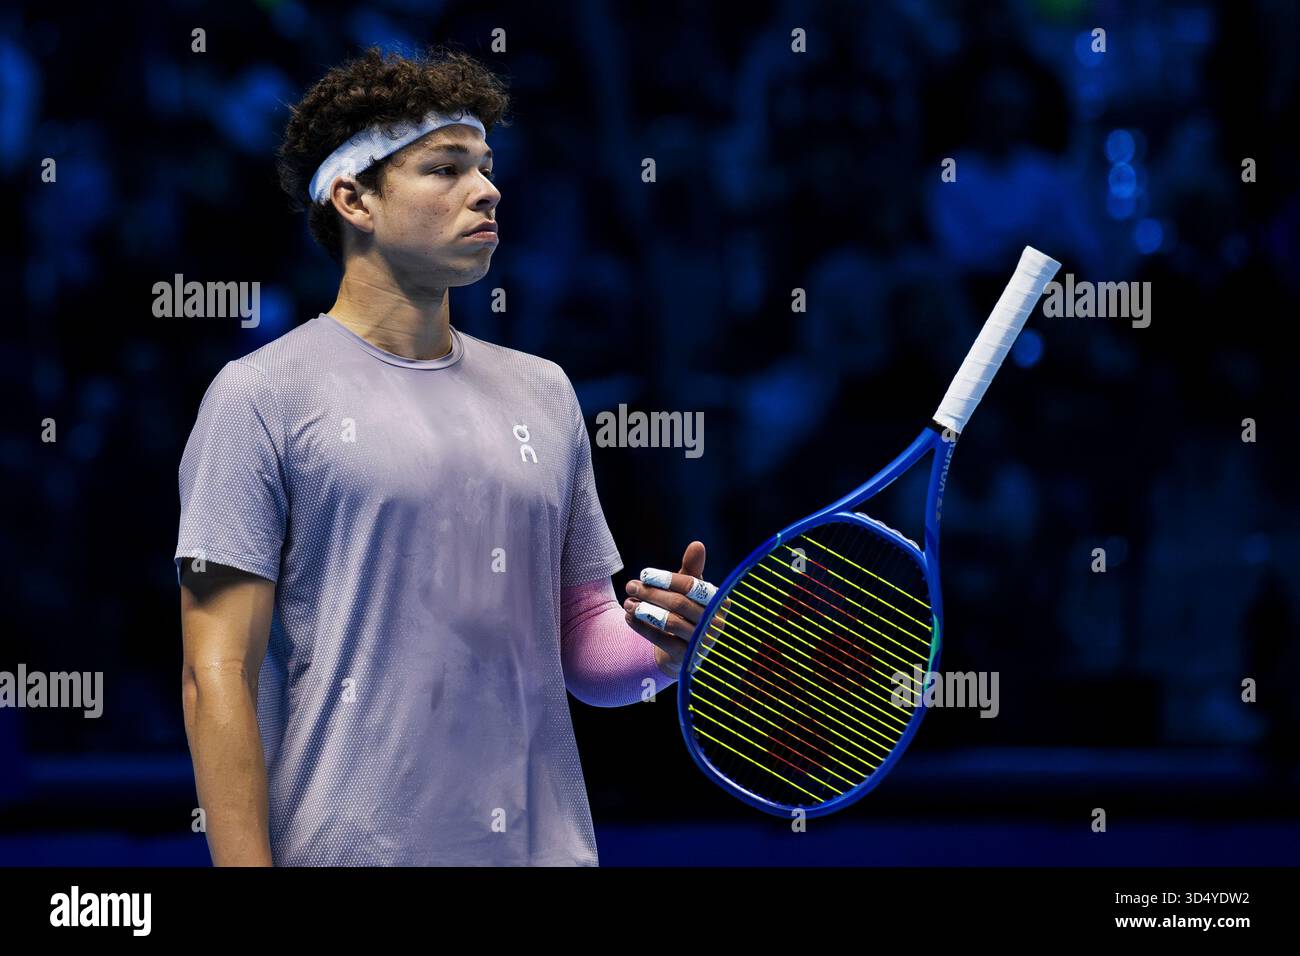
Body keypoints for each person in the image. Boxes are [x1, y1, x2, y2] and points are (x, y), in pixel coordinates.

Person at [175, 46, 712, 866]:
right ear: (354, 198)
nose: (488, 189)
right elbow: (216, 676)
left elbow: (583, 648)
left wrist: (658, 652)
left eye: (487, 166)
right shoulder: (259, 396)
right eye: (446, 168)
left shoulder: (545, 392)